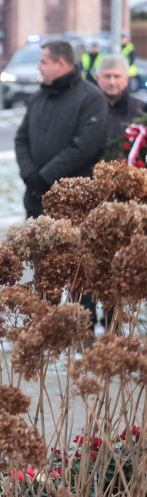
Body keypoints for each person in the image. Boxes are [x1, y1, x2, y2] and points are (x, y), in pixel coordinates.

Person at [14, 40, 107, 338]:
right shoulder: (39, 97)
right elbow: (21, 139)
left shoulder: (91, 98)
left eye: (43, 61)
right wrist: (30, 175)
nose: (39, 67)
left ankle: (83, 332)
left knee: (80, 270)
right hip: (38, 199)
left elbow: (84, 146)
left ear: (61, 64)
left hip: (75, 203)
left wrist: (45, 177)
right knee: (46, 267)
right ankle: (47, 331)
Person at [90, 54, 142, 331]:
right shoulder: (87, 108)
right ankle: (84, 326)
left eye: (117, 76)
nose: (112, 82)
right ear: (97, 78)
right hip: (91, 198)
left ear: (126, 78)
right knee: (88, 264)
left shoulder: (140, 111)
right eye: (106, 76)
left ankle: (114, 324)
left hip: (126, 203)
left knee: (119, 266)